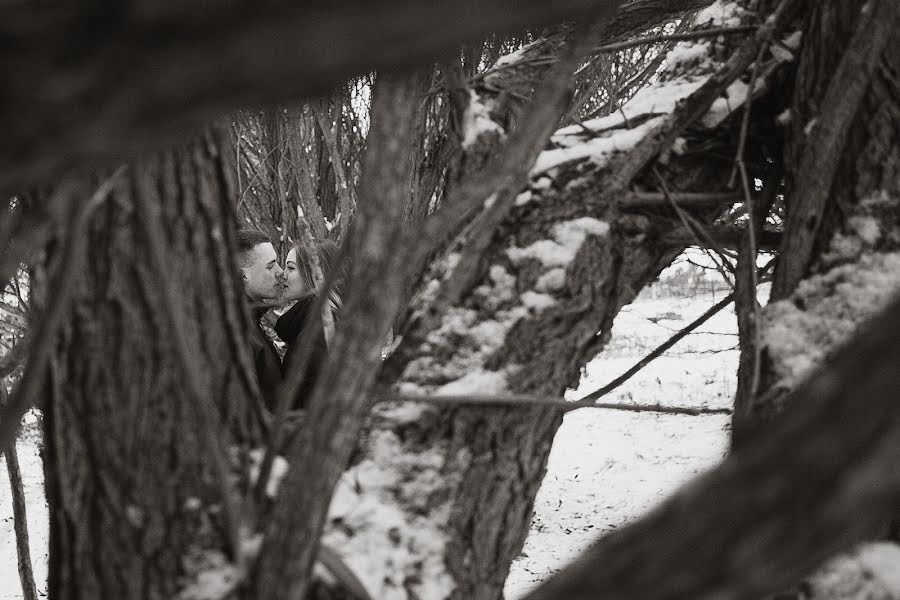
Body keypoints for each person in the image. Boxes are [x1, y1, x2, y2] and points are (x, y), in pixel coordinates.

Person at [275, 239, 341, 410]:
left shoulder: (319, 327)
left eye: (290, 268)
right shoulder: (310, 321)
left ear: (313, 274)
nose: (282, 274)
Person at [236, 228, 284, 411]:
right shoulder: (240, 333)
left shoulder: (252, 325)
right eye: (270, 266)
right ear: (243, 276)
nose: (280, 272)